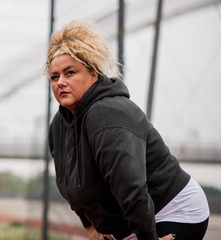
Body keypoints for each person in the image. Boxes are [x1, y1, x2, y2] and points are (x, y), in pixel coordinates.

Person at [46, 20, 209, 240]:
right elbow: (69, 183)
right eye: (55, 77)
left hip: (174, 210)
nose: (61, 82)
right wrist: (89, 225)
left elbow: (131, 188)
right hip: (132, 220)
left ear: (93, 75)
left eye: (70, 73)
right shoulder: (60, 124)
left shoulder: (107, 114)